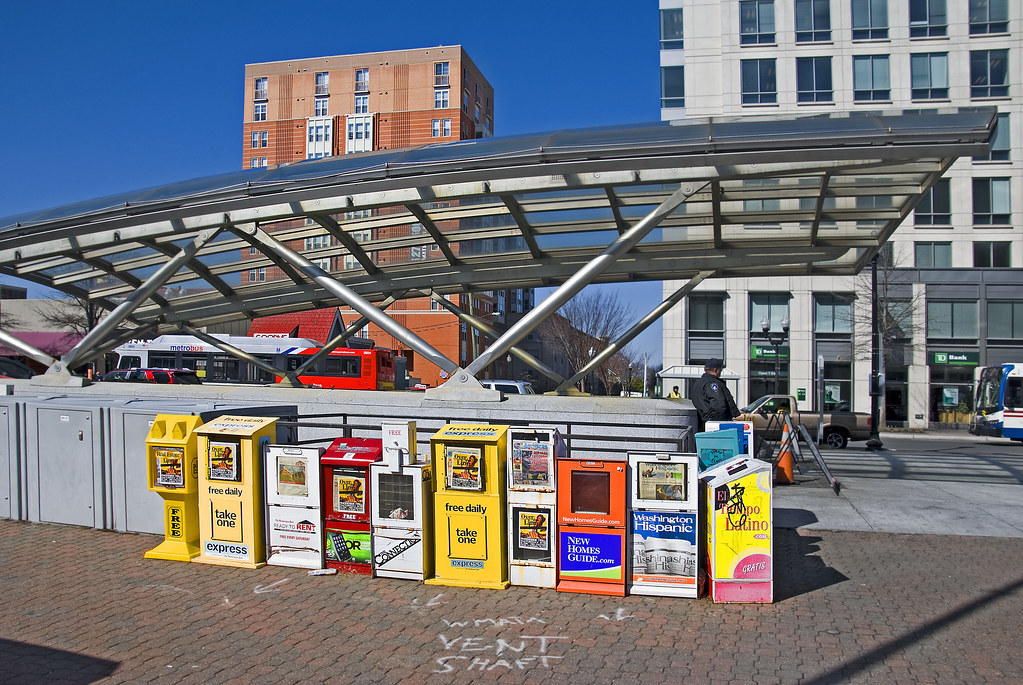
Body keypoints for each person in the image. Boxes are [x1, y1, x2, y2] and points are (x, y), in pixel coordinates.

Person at [690, 358, 739, 432]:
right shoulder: (712, 383)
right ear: (716, 370)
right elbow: (719, 404)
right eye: (720, 370)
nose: (721, 372)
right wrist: (722, 421)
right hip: (714, 423)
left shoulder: (698, 383)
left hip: (702, 422)